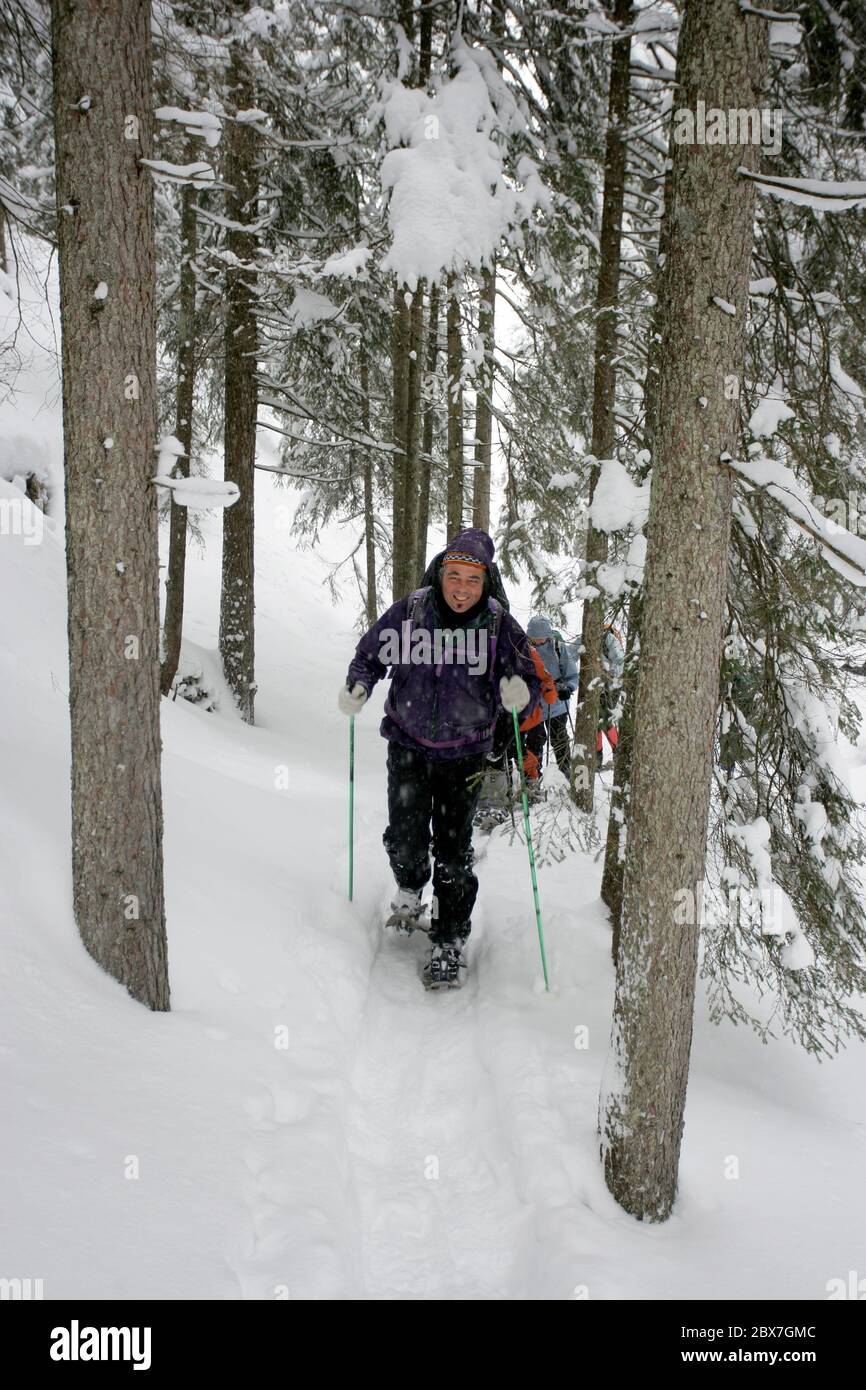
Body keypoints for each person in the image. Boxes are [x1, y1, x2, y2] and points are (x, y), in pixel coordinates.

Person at [338, 527, 541, 989]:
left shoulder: (498, 626)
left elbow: (525, 688)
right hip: (408, 746)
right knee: (405, 837)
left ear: (485, 581)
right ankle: (410, 887)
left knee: (453, 852)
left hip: (465, 756)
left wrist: (517, 696)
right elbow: (370, 655)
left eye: (472, 579)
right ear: (441, 573)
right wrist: (358, 685)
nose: (462, 588)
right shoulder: (411, 612)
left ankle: (449, 938)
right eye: (454, 576)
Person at [524, 616, 579, 778]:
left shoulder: (558, 647)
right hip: (534, 706)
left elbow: (572, 675)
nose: (539, 642)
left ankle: (566, 772)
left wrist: (567, 688)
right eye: (535, 639)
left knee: (559, 738)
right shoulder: (523, 648)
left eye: (542, 639)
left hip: (557, 704)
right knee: (535, 741)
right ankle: (533, 777)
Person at [597, 623, 624, 769]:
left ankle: (618, 753)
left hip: (612, 686)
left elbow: (620, 661)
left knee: (605, 719)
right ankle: (596, 759)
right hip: (599, 687)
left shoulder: (609, 638)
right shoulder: (589, 636)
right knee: (596, 721)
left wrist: (611, 674)